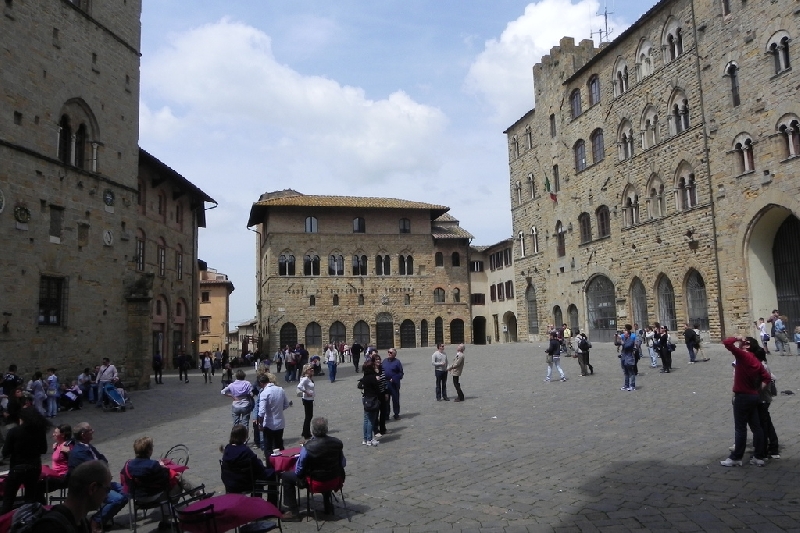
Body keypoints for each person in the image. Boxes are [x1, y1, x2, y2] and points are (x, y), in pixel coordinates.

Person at [280, 417, 346, 520]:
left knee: (286, 476)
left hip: (315, 482)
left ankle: (293, 512)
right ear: (327, 429)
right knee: (327, 470)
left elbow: (299, 470)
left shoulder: (308, 447)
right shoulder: (337, 443)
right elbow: (343, 463)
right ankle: (327, 505)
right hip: (334, 479)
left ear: (313, 430)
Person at [121, 436, 197, 524]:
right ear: (149, 450)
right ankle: (167, 517)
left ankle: (196, 492)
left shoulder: (128, 464)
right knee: (177, 479)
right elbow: (166, 479)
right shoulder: (153, 465)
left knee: (176, 479)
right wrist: (163, 467)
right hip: (153, 496)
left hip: (137, 497)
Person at [721, 336, 771, 467]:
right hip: (754, 396)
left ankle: (736, 457)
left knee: (740, 429)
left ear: (747, 346)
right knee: (756, 427)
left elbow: (727, 343)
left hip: (742, 396)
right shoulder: (756, 360)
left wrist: (737, 337)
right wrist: (758, 390)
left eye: (744, 343)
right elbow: (767, 377)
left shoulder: (743, 356)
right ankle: (759, 457)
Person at [68, 422, 128, 529]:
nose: (93, 432)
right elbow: (95, 469)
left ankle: (105, 517)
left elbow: (103, 459)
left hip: (102, 481)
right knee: (117, 499)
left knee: (127, 491)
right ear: (83, 434)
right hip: (93, 486)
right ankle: (96, 521)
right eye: (90, 430)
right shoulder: (79, 452)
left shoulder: (88, 447)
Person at [30, 460, 114, 533]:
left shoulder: (82, 522)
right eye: (107, 489)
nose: (107, 496)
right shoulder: (51, 528)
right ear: (93, 488)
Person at [1, 407, 49, 513]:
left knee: (8, 498)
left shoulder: (14, 431)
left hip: (17, 467)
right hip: (34, 467)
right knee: (30, 497)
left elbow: (6, 451)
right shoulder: (40, 431)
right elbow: (43, 449)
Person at [220, 425, 276, 502]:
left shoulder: (227, 449)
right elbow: (258, 468)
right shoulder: (245, 451)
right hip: (245, 482)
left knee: (257, 478)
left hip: (230, 482)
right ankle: (272, 503)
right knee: (272, 473)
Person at [749, 342, 780, 459]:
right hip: (763, 398)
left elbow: (770, 378)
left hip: (762, 398)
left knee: (762, 425)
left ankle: (764, 450)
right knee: (766, 422)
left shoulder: (762, 366)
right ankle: (773, 447)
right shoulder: (763, 365)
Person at [256, 373, 290, 453]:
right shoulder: (280, 389)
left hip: (269, 423)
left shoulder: (264, 393)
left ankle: (270, 464)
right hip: (280, 421)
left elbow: (261, 412)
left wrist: (260, 424)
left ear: (261, 383)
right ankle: (281, 463)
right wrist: (278, 410)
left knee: (268, 447)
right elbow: (286, 404)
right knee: (279, 444)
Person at [221, 370, 254, 438]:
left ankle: (235, 438)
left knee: (235, 423)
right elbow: (251, 393)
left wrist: (232, 396)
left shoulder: (232, 384)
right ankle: (244, 438)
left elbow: (223, 392)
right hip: (245, 404)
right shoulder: (247, 383)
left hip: (235, 405)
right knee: (245, 423)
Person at [359, 361, 381, 446]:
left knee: (365, 419)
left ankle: (365, 439)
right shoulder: (372, 378)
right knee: (371, 420)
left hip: (365, 399)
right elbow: (377, 390)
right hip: (372, 399)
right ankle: (369, 439)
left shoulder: (365, 377)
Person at [382, 348, 404, 419]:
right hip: (385, 383)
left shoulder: (397, 362)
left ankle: (396, 413)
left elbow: (401, 373)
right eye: (388, 352)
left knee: (395, 399)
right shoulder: (385, 361)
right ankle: (386, 414)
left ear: (394, 354)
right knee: (386, 400)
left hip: (394, 383)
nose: (389, 353)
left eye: (391, 353)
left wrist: (394, 378)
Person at [297, 365, 315, 442]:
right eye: (310, 369)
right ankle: (306, 433)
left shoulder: (309, 378)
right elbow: (299, 386)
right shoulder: (305, 378)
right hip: (307, 399)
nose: (311, 370)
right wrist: (306, 392)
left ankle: (306, 432)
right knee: (308, 416)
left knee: (309, 416)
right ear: (306, 370)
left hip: (310, 399)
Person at [619, 324, 637, 391]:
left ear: (628, 334)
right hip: (623, 358)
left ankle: (632, 385)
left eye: (625, 331)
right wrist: (616, 338)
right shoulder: (623, 338)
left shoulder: (631, 340)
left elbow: (626, 346)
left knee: (631, 372)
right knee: (626, 372)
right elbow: (616, 343)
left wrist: (622, 342)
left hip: (629, 358)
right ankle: (626, 385)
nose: (624, 332)